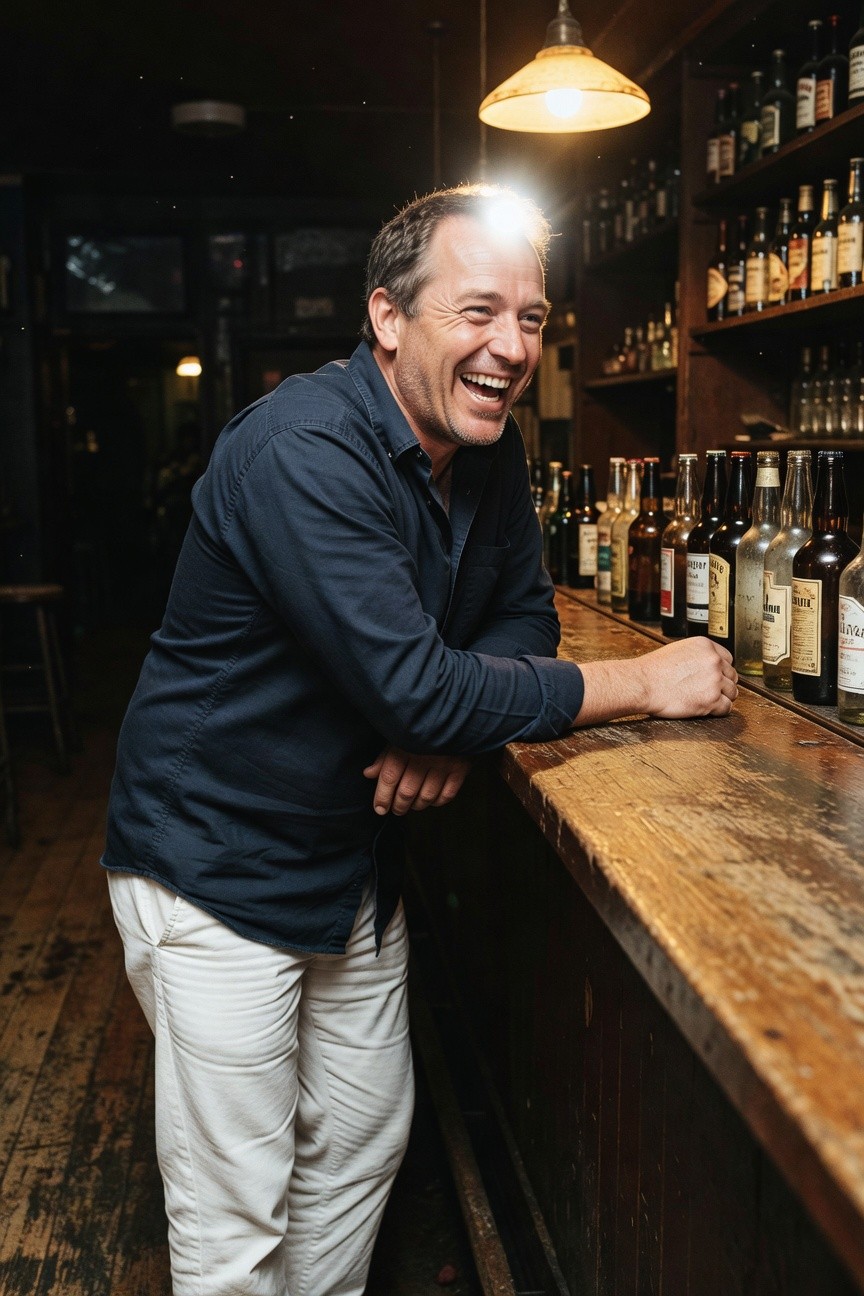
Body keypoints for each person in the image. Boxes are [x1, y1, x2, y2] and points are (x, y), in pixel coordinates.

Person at [103, 184, 737, 1296]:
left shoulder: (486, 449)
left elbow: (520, 616)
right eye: (477, 311)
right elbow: (418, 687)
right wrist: (641, 681)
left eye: (530, 318)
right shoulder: (304, 449)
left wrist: (445, 730)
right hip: (216, 864)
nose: (512, 347)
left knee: (358, 1146)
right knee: (235, 1216)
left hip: (349, 863)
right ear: (388, 318)